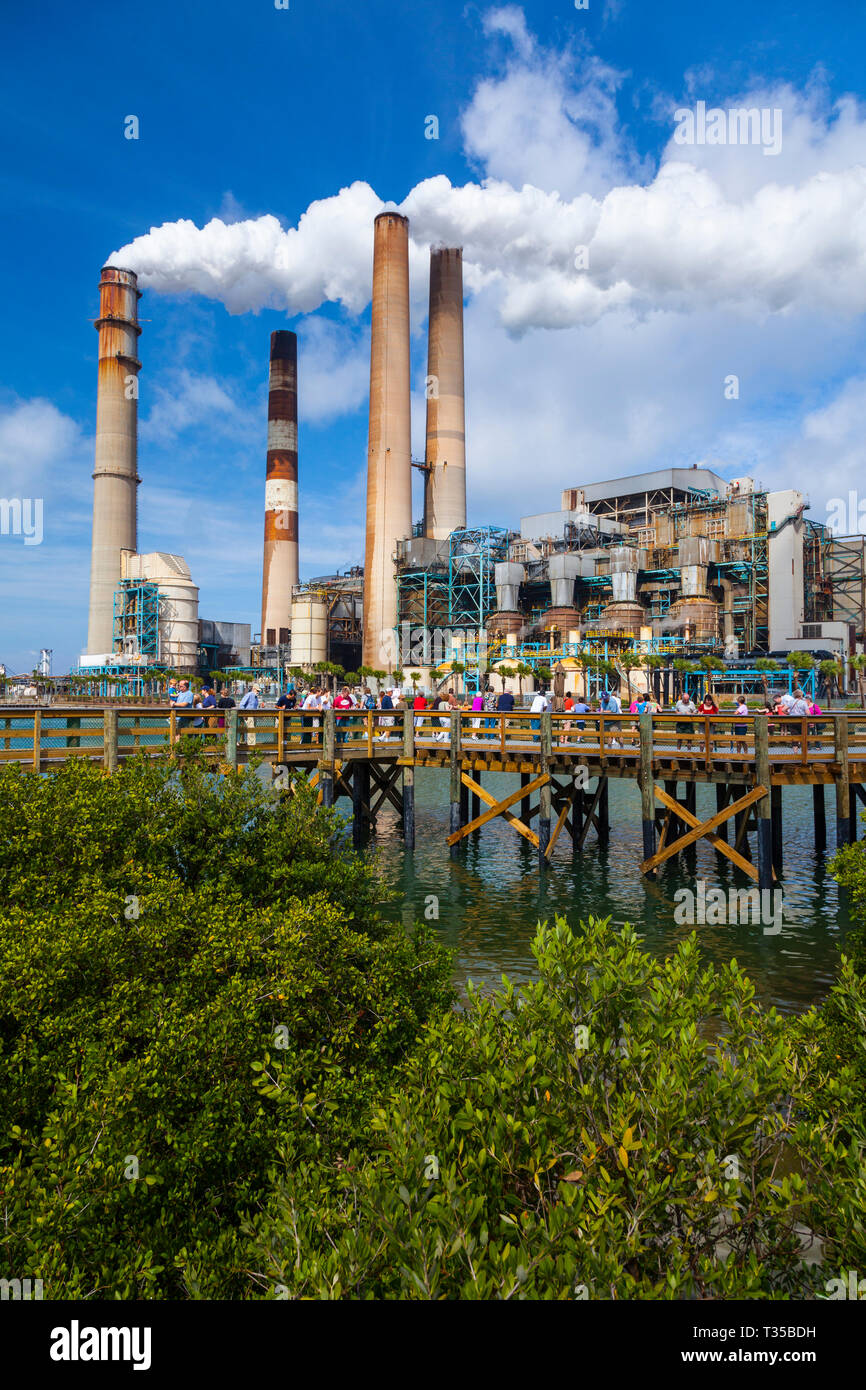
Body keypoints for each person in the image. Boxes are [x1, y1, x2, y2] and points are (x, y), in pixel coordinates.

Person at [239, 683, 260, 747]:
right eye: (257, 690)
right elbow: (241, 705)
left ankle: (251, 743)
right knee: (251, 729)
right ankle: (251, 745)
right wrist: (245, 714)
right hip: (249, 715)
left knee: (253, 730)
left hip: (254, 715)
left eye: (259, 691)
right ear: (253, 689)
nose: (258, 692)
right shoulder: (249, 695)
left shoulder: (256, 697)